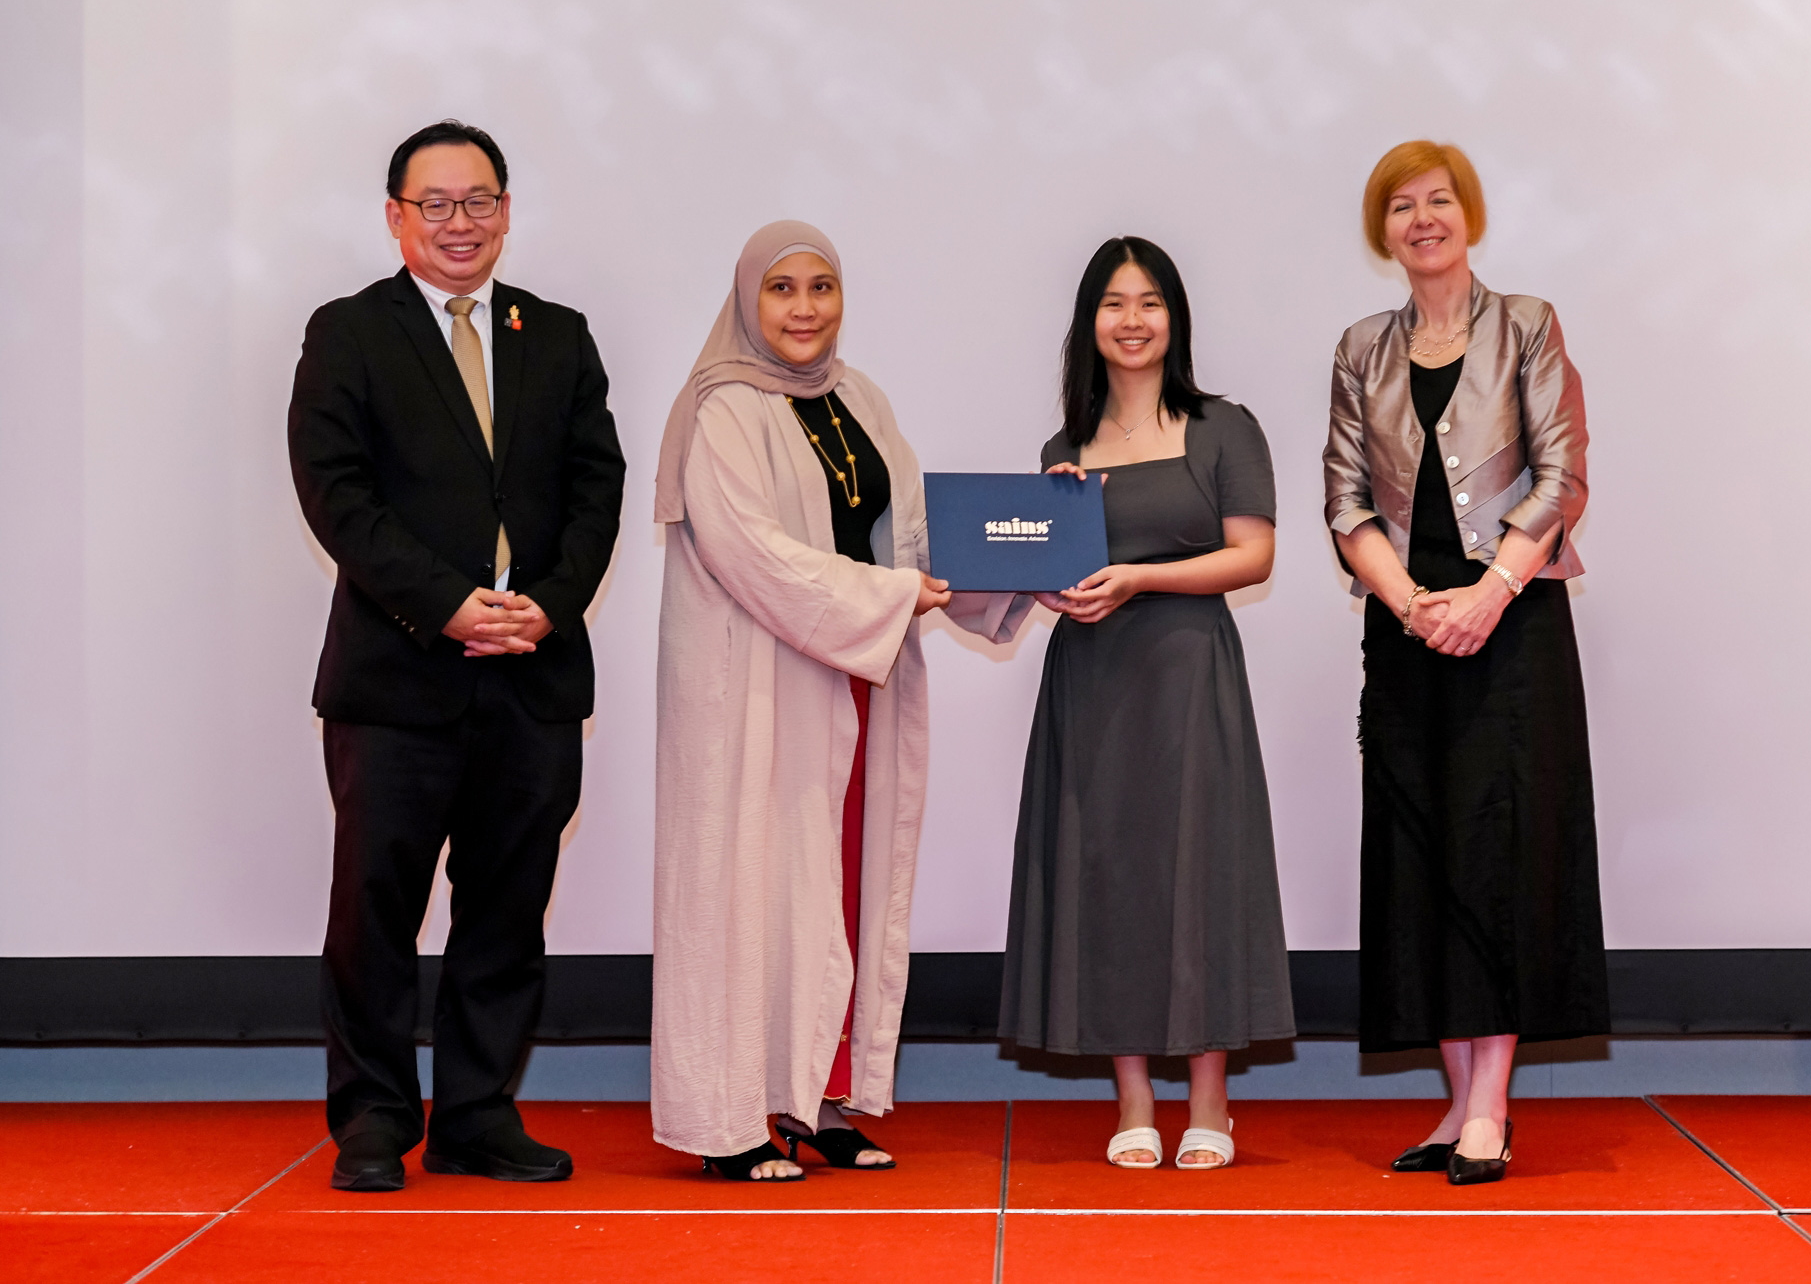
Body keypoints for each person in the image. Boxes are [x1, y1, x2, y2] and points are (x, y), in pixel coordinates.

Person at [651, 222, 1029, 1182]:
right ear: (748, 299)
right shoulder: (720, 409)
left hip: (858, 684)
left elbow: (912, 536)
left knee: (844, 891)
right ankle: (732, 1119)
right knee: (752, 889)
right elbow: (751, 554)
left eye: (822, 286)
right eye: (782, 288)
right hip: (759, 693)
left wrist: (1032, 549)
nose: (805, 307)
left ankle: (820, 1100)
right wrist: (895, 598)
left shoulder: (860, 397)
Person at [288, 120, 625, 1191]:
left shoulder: (557, 335)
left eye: (478, 200)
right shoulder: (348, 332)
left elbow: (594, 491)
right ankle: (376, 1118)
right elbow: (337, 493)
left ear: (507, 210)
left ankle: (479, 1112)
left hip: (530, 676)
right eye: (435, 203)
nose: (459, 222)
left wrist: (544, 605)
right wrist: (447, 606)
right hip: (396, 678)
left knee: (507, 906)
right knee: (375, 905)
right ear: (395, 217)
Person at [1322, 141, 1608, 1186]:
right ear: (1381, 231)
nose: (1421, 219)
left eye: (1437, 201)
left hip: (1511, 632)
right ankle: (1455, 1101)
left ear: (1468, 217)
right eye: (1399, 206)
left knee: (1498, 859)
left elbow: (1560, 475)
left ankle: (1490, 1105)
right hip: (1406, 636)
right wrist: (1406, 604)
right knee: (1420, 860)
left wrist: (1487, 594)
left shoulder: (1526, 322)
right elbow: (1344, 500)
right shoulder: (1360, 346)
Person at [1000, 236, 1294, 1171]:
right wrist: (1053, 578)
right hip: (1092, 683)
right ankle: (1133, 1095)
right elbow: (1051, 569)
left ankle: (1210, 1095)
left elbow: (1253, 556)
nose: (1132, 320)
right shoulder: (1063, 448)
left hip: (1188, 673)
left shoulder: (1221, 426)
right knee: (1107, 873)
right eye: (1114, 303)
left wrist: (1138, 576)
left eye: (1150, 302)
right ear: (1088, 321)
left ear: (1176, 318)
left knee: (1200, 869)